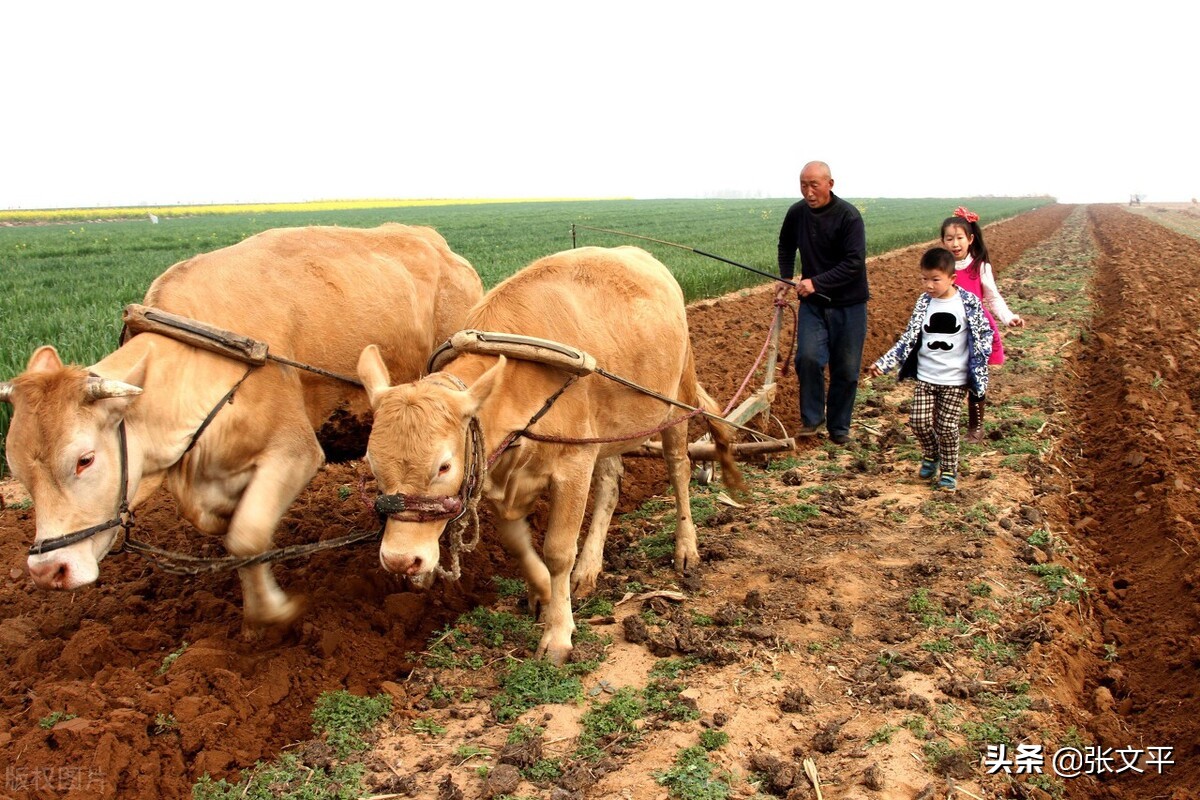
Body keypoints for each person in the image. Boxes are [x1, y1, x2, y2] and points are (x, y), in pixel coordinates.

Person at [867, 247, 992, 493]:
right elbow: (908, 339)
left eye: (936, 279)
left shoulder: (968, 303)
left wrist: (980, 359)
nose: (929, 285)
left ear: (951, 278)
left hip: (955, 380)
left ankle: (948, 469)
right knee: (919, 422)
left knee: (947, 427)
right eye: (925, 279)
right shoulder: (924, 303)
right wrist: (883, 363)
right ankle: (931, 453)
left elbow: (984, 333)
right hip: (926, 376)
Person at [776, 161, 868, 445]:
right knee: (808, 358)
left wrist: (816, 282)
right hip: (813, 305)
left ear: (830, 183)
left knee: (846, 368)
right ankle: (812, 420)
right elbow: (786, 244)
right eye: (803, 185)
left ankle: (839, 428)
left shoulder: (848, 216)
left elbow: (854, 262)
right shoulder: (797, 213)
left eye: (814, 184)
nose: (808, 191)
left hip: (849, 305)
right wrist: (786, 276)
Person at [940, 206, 1024, 442]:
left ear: (970, 239)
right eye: (949, 238)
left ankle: (975, 427)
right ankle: (947, 424)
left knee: (976, 377)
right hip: (949, 332)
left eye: (959, 238)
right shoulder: (941, 268)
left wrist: (1009, 317)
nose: (955, 243)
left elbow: (993, 298)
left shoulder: (980, 266)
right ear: (943, 241)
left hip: (976, 330)